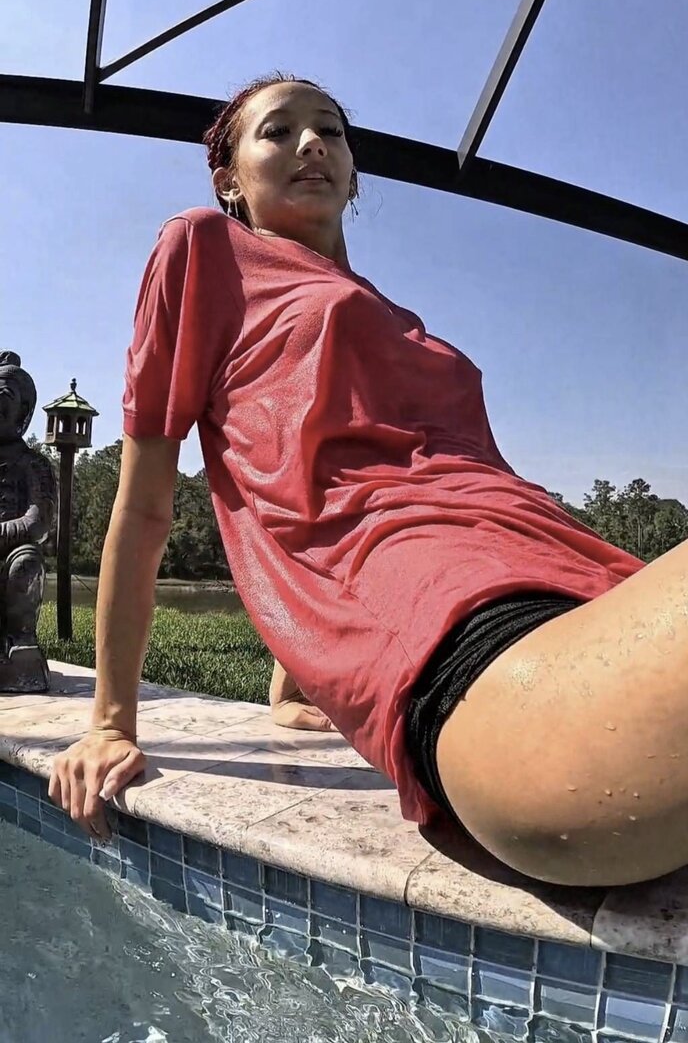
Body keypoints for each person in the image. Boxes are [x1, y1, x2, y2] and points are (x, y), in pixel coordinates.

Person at [49, 72, 687, 889]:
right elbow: (145, 510)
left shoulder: (396, 316)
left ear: (353, 175)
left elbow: (319, 458)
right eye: (278, 131)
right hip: (473, 642)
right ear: (229, 179)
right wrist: (110, 722)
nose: (312, 142)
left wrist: (299, 670)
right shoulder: (204, 248)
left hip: (584, 586)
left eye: (331, 130)